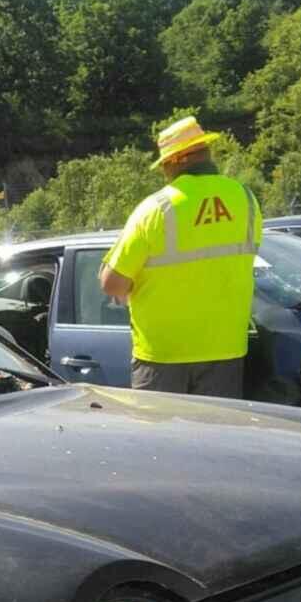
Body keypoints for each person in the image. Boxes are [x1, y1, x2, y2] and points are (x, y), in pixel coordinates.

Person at [99, 115, 261, 398]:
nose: (163, 171)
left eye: (164, 164)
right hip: (226, 350)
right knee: (218, 438)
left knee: (163, 441)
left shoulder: (156, 208)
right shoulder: (245, 198)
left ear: (177, 160)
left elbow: (112, 284)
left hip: (163, 356)